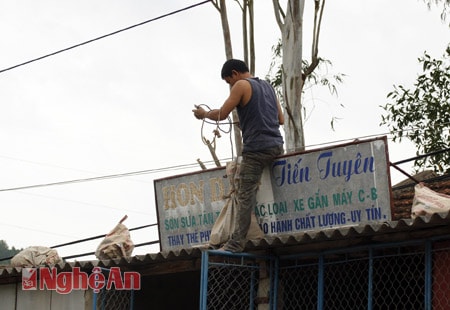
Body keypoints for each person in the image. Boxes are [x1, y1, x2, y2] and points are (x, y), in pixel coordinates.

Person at [192, 59, 284, 252]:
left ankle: (236, 243)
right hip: (276, 146)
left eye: (228, 81)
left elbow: (222, 114)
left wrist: (204, 114)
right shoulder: (267, 86)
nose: (230, 85)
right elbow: (280, 119)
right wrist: (249, 122)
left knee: (244, 194)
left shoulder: (241, 85)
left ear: (234, 74)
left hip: (256, 150)